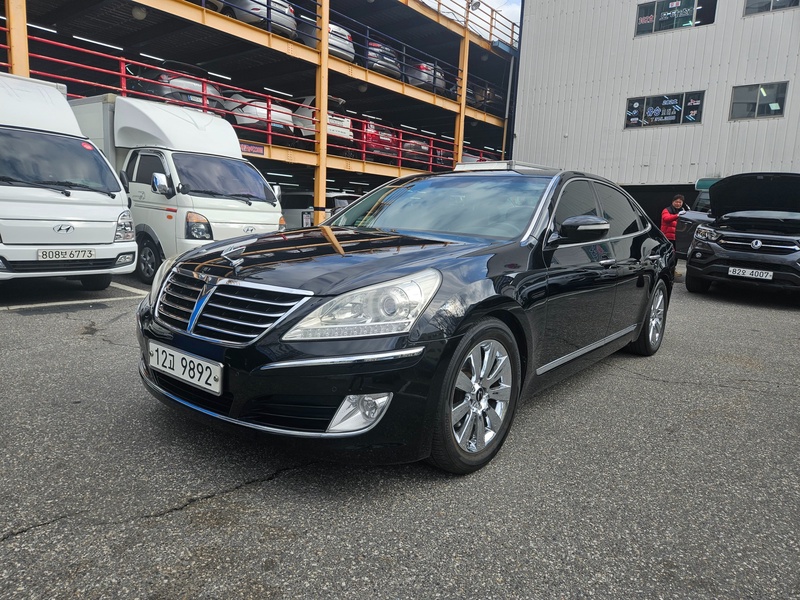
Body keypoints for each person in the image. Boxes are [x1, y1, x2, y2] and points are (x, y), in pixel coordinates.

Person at [661, 194, 687, 275]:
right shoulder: (667, 210)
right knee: (669, 255)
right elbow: (666, 219)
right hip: (668, 237)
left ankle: (673, 270)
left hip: (677, 237)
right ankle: (666, 271)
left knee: (676, 255)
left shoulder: (682, 211)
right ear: (673, 202)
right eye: (676, 202)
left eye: (680, 202)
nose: (678, 204)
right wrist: (677, 215)